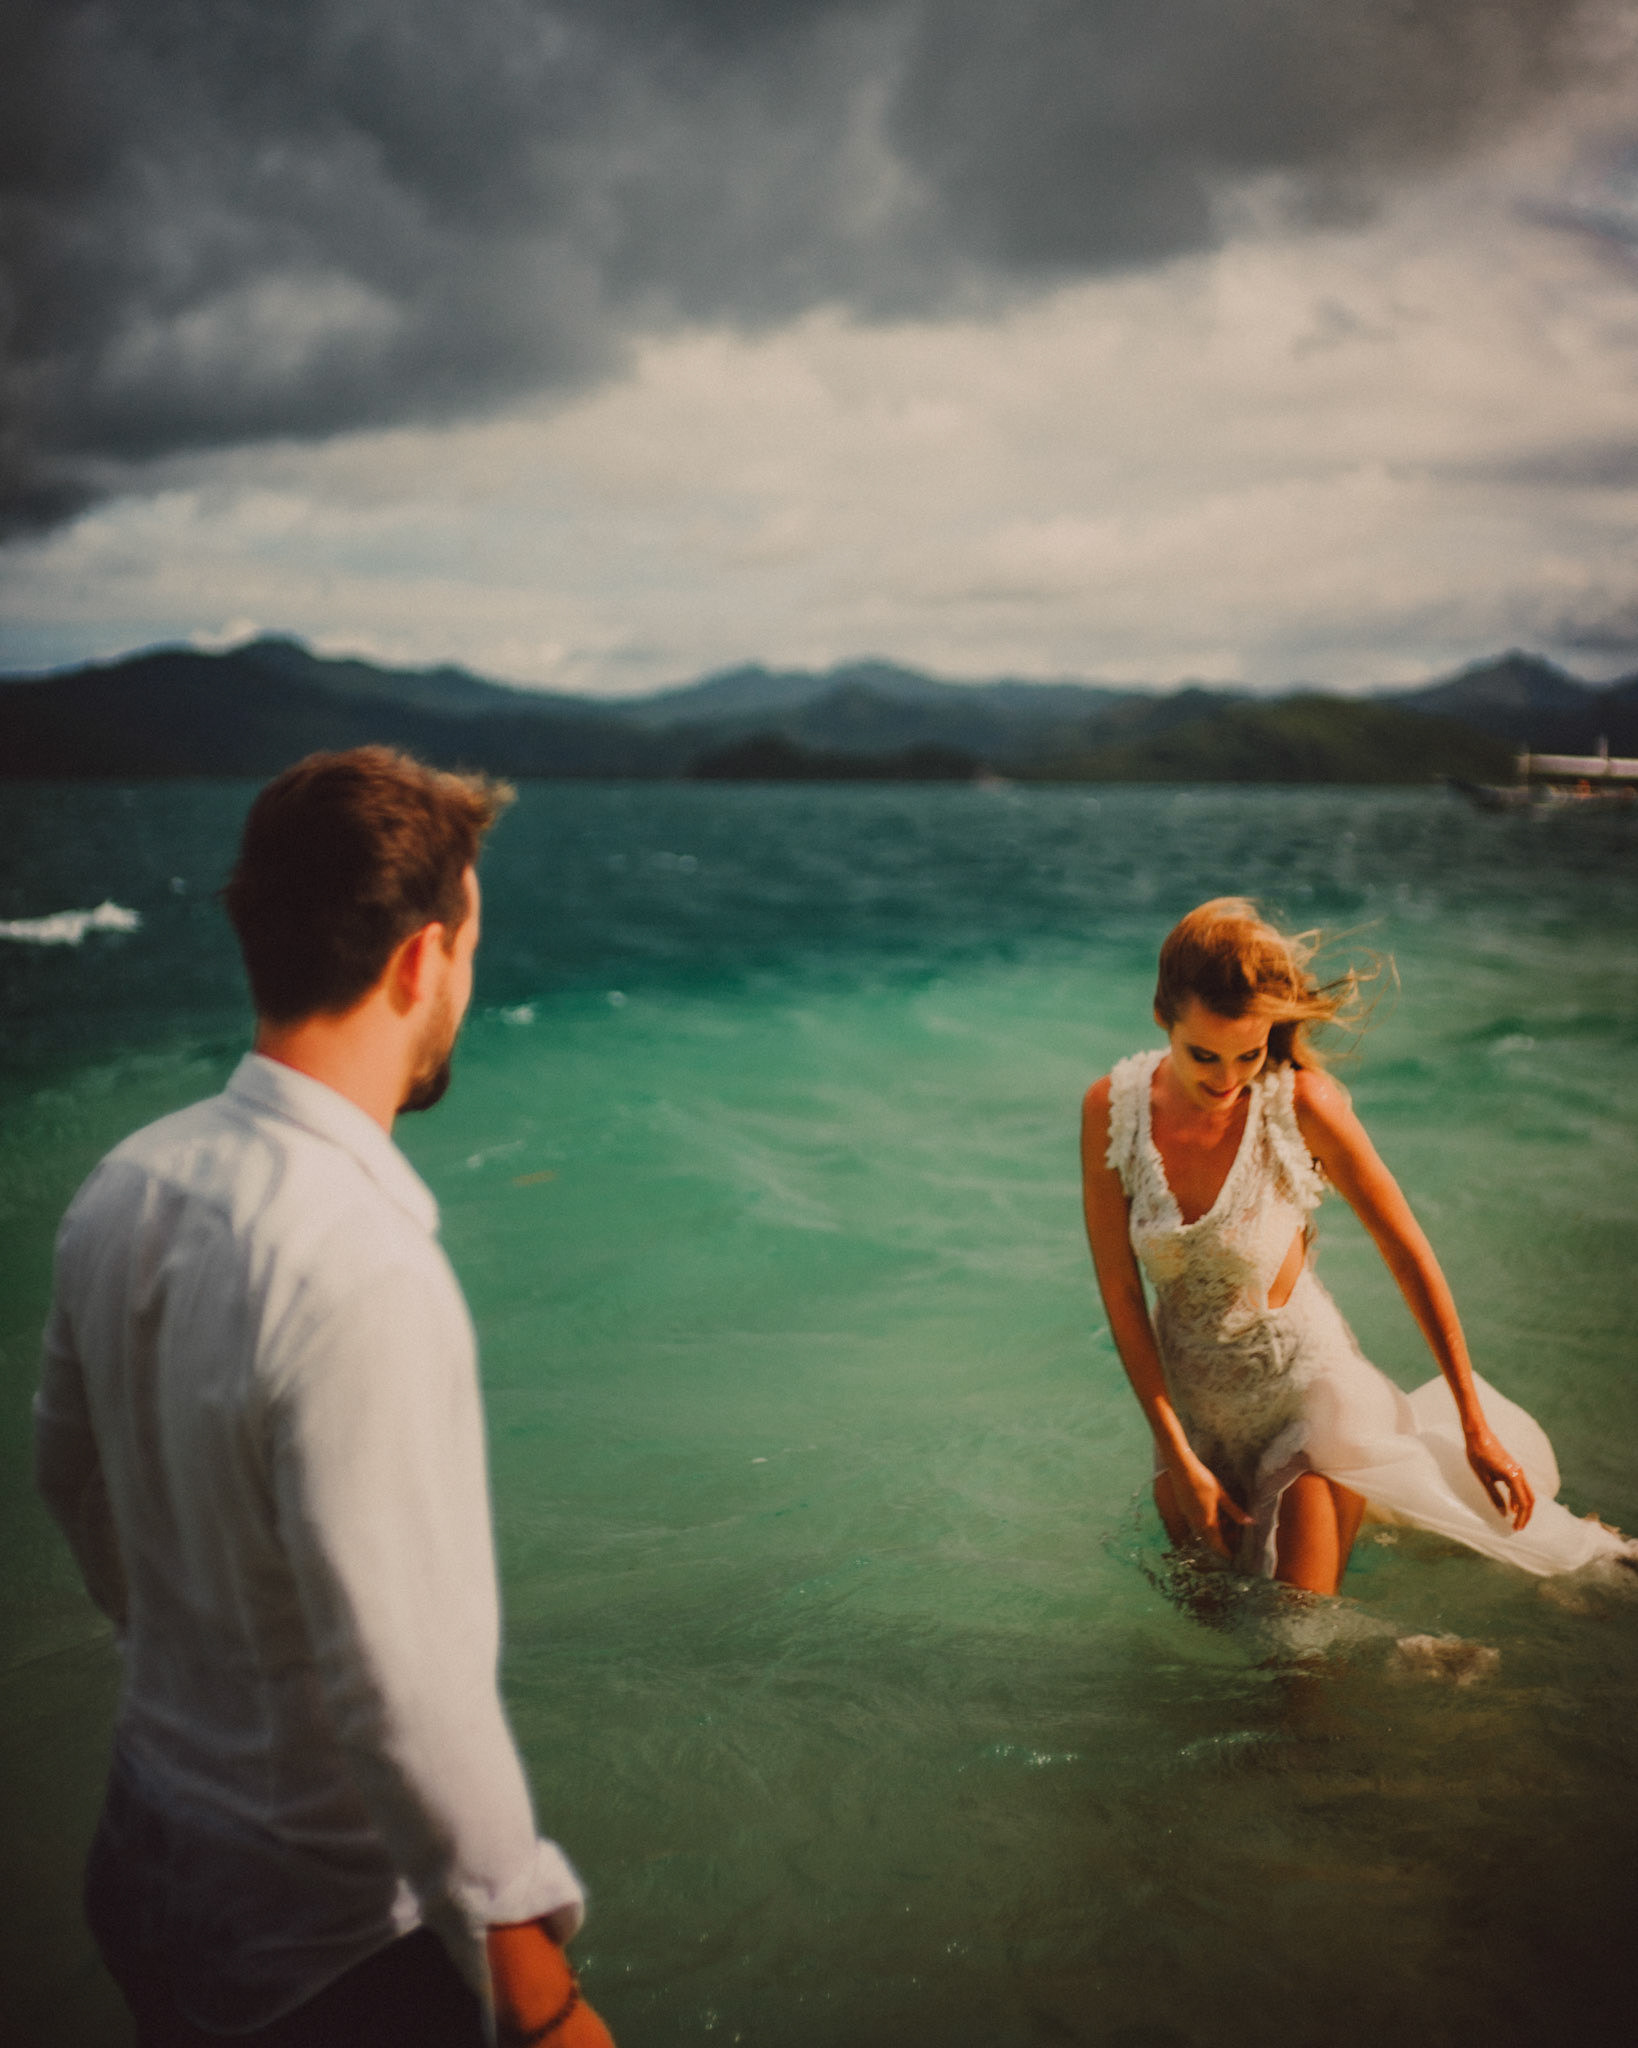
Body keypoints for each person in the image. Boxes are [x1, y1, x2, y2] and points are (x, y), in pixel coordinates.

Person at [34, 748, 615, 2047]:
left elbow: (68, 1481)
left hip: (145, 1856)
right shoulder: (362, 1266)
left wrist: (205, 1676)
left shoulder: (125, 1182)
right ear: (423, 961)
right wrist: (539, 1994)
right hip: (324, 1946)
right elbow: (401, 1686)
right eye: (466, 949)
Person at [1080, 896, 1630, 1596]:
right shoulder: (1113, 1110)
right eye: (1203, 1055)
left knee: (1298, 1647)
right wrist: (1178, 1454)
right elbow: (1122, 1294)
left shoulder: (1300, 1106)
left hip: (1308, 1405)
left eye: (1248, 1054)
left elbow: (1407, 1254)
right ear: (1163, 1017)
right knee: (1213, 1644)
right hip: (1194, 1418)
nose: (1226, 1079)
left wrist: (1474, 1422)